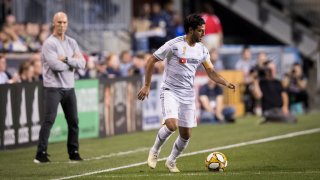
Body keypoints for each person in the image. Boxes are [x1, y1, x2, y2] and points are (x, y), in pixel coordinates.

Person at [137, 14, 235, 173]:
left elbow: (211, 71)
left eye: (204, 30)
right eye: (200, 31)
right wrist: (147, 85)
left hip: (188, 95)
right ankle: (155, 150)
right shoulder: (174, 45)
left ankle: (171, 161)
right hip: (170, 90)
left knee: (186, 135)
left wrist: (225, 82)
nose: (204, 34)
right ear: (191, 30)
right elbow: (151, 61)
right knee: (171, 125)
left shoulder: (202, 49)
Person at [34, 12, 86, 163]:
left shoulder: (72, 42)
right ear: (53, 23)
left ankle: (74, 152)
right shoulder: (49, 43)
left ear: (67, 24)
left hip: (69, 87)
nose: (62, 25)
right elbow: (55, 66)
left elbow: (82, 64)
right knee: (49, 120)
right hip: (53, 87)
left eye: (64, 22)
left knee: (74, 121)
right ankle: (40, 153)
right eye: (59, 22)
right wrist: (72, 64)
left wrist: (66, 59)